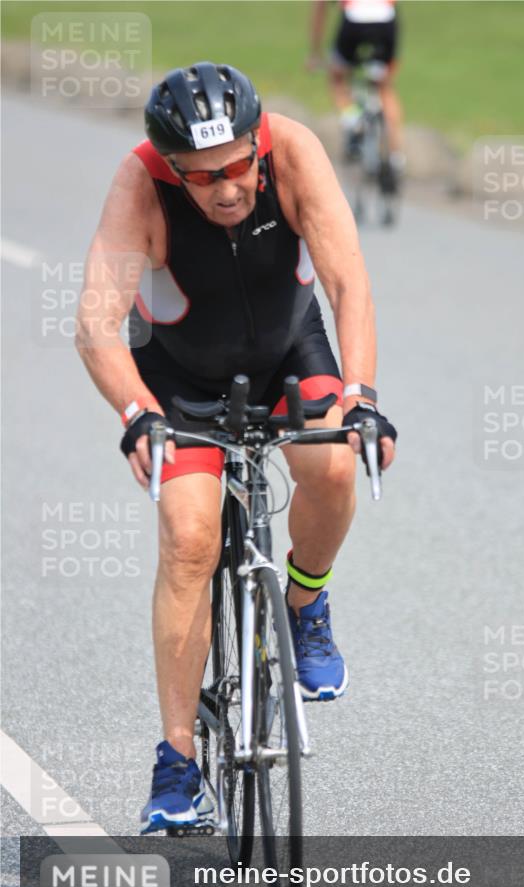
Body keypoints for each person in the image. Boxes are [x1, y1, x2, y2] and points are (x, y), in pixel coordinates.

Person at [75, 62, 397, 833]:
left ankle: (305, 601)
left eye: (235, 167)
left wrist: (365, 398)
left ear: (258, 143)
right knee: (189, 539)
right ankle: (178, 765)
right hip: (179, 376)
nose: (224, 188)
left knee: (331, 460)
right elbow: (96, 322)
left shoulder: (293, 153)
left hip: (291, 352)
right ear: (171, 168)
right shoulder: (139, 186)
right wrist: (136, 415)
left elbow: (349, 282)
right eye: (200, 176)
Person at [308, 0, 404, 174]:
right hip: (386, 20)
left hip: (353, 21)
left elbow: (320, 7)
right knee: (385, 88)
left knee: (337, 77)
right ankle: (395, 156)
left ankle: (353, 119)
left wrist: (315, 52)